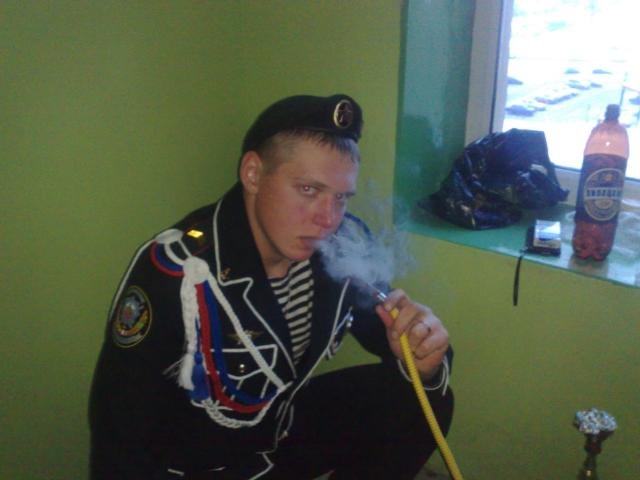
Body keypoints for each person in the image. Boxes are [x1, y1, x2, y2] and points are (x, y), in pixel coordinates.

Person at [89, 93, 454, 479]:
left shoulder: (343, 243)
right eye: (308, 190)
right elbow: (119, 432)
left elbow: (392, 335)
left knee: (425, 401)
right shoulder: (179, 270)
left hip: (281, 426)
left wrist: (423, 352)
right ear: (253, 174)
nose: (328, 219)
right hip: (207, 463)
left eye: (341, 198)